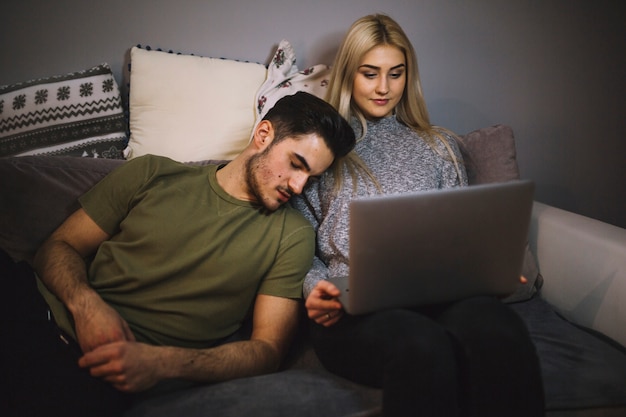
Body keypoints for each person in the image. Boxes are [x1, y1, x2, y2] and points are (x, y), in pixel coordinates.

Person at [1, 91, 355, 417]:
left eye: (310, 178)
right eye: (296, 163)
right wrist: (87, 306)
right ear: (263, 135)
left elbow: (267, 350)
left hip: (95, 373)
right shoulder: (153, 173)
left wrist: (161, 363)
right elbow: (57, 246)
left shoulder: (291, 234)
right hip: (32, 307)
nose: (298, 186)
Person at [292, 14, 545, 417]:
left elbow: (460, 233)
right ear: (348, 74)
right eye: (369, 73)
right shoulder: (320, 147)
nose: (383, 88)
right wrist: (316, 287)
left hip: (438, 296)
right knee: (419, 345)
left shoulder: (439, 145)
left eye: (396, 74)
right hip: (353, 308)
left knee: (500, 328)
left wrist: (486, 273)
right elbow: (296, 243)